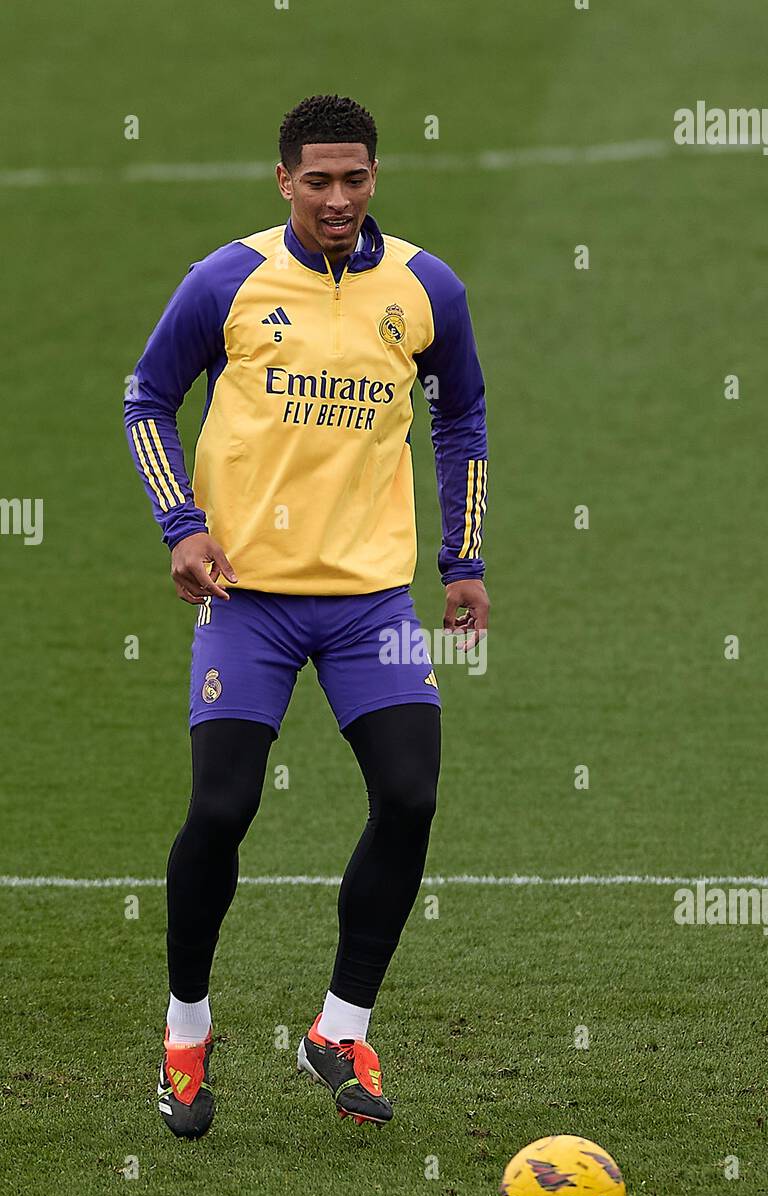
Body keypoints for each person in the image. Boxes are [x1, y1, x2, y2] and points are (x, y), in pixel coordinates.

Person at [123, 94, 489, 1137]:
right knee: (223, 809)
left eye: (355, 179)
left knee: (410, 794)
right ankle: (186, 1028)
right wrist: (181, 527)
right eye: (317, 180)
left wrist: (462, 558)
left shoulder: (425, 288)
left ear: (374, 177)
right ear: (283, 179)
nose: (337, 199)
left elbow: (459, 414)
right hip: (248, 599)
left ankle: (338, 1026)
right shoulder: (226, 280)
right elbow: (146, 397)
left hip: (370, 599)